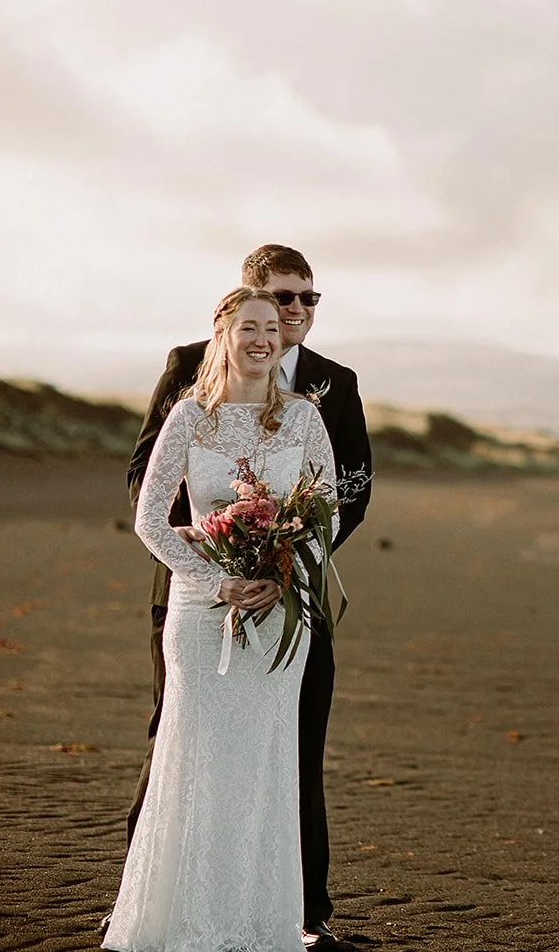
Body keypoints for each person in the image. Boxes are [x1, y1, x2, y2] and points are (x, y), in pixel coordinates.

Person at [124, 245, 371, 945]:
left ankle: (280, 916)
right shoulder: (188, 398)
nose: (278, 326)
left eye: (298, 306)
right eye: (259, 318)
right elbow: (148, 502)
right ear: (226, 328)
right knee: (184, 749)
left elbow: (335, 505)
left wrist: (281, 567)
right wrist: (213, 566)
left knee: (279, 755)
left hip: (283, 606)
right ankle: (167, 908)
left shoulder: (317, 402)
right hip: (199, 604)